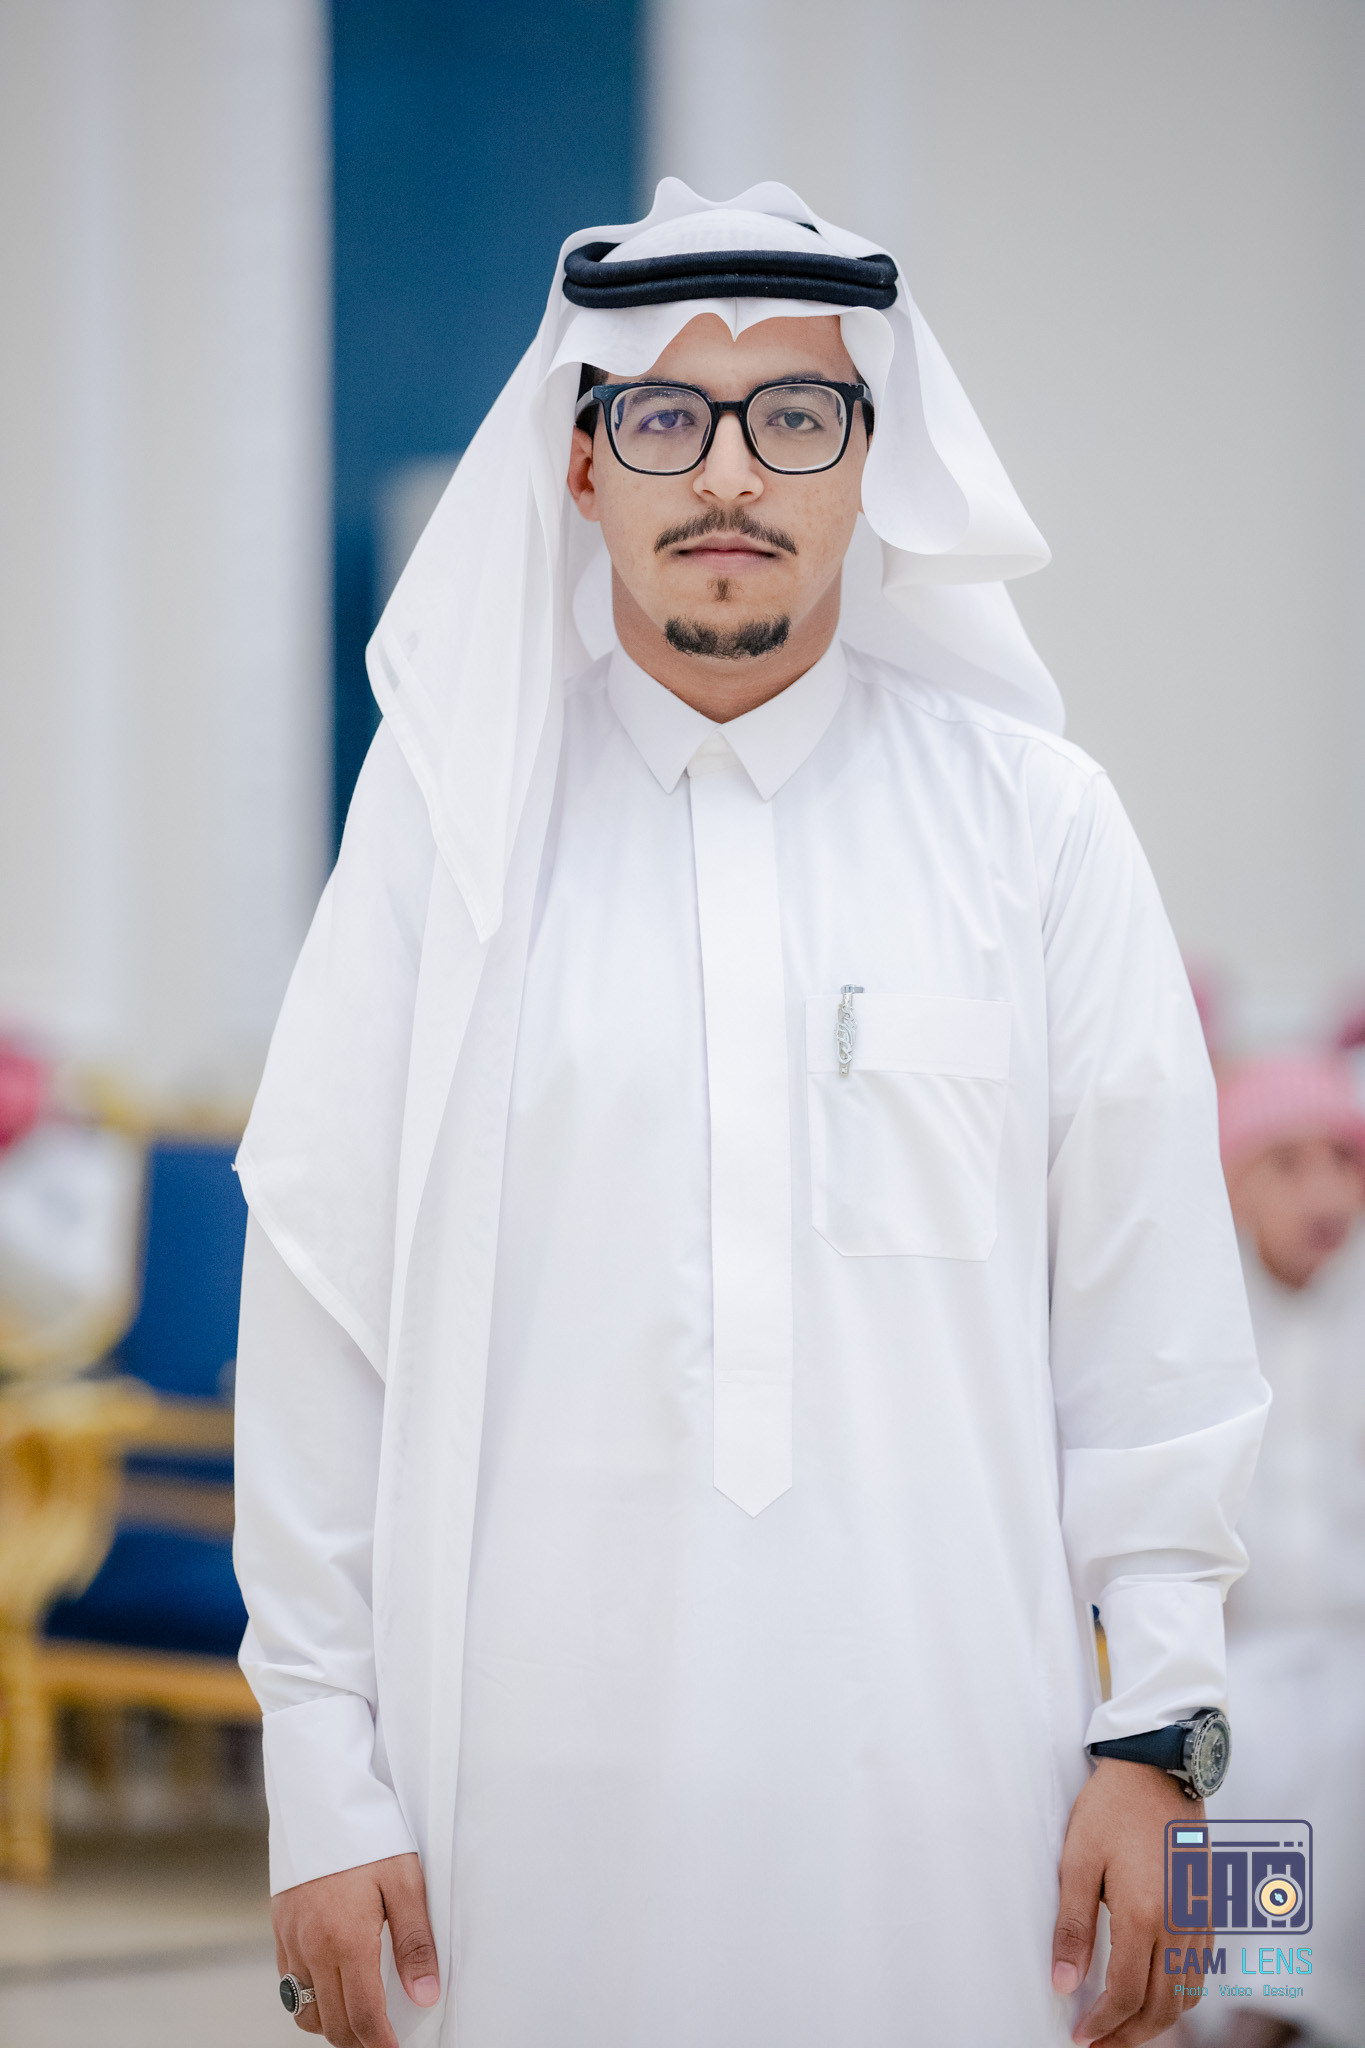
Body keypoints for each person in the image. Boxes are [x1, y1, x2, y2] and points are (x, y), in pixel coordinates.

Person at [232, 182, 1268, 2048]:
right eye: (664, 418)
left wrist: (1165, 1744)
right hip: (518, 1811)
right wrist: (317, 1770)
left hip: (972, 1788)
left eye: (793, 417)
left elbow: (1159, 1329)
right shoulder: (450, 836)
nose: (729, 474)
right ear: (580, 467)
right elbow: (319, 1312)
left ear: (873, 462)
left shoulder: (1038, 825)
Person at [1195, 1055, 1365, 2048]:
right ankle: (1241, 2014)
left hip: (1351, 1656)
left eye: (1344, 1158)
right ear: (1231, 1181)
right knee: (1238, 1749)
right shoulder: (1201, 1323)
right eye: (1287, 1161)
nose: (1326, 1190)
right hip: (1237, 1661)